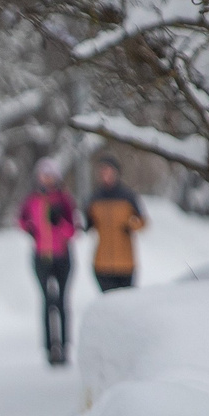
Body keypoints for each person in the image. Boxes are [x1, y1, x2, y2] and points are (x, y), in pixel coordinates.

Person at [16, 158, 78, 365]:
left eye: (50, 175)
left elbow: (73, 229)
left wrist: (59, 224)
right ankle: (49, 347)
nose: (47, 179)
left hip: (62, 255)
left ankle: (64, 345)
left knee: (61, 301)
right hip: (41, 256)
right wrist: (31, 228)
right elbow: (21, 221)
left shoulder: (64, 200)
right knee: (46, 301)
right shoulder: (32, 200)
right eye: (44, 175)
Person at [85, 154, 148, 292]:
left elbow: (143, 221)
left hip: (125, 263)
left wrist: (130, 226)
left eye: (109, 170)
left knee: (125, 302)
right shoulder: (94, 198)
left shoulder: (127, 196)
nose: (105, 174)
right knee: (108, 301)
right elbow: (87, 224)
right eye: (102, 171)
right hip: (102, 263)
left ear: (116, 172)